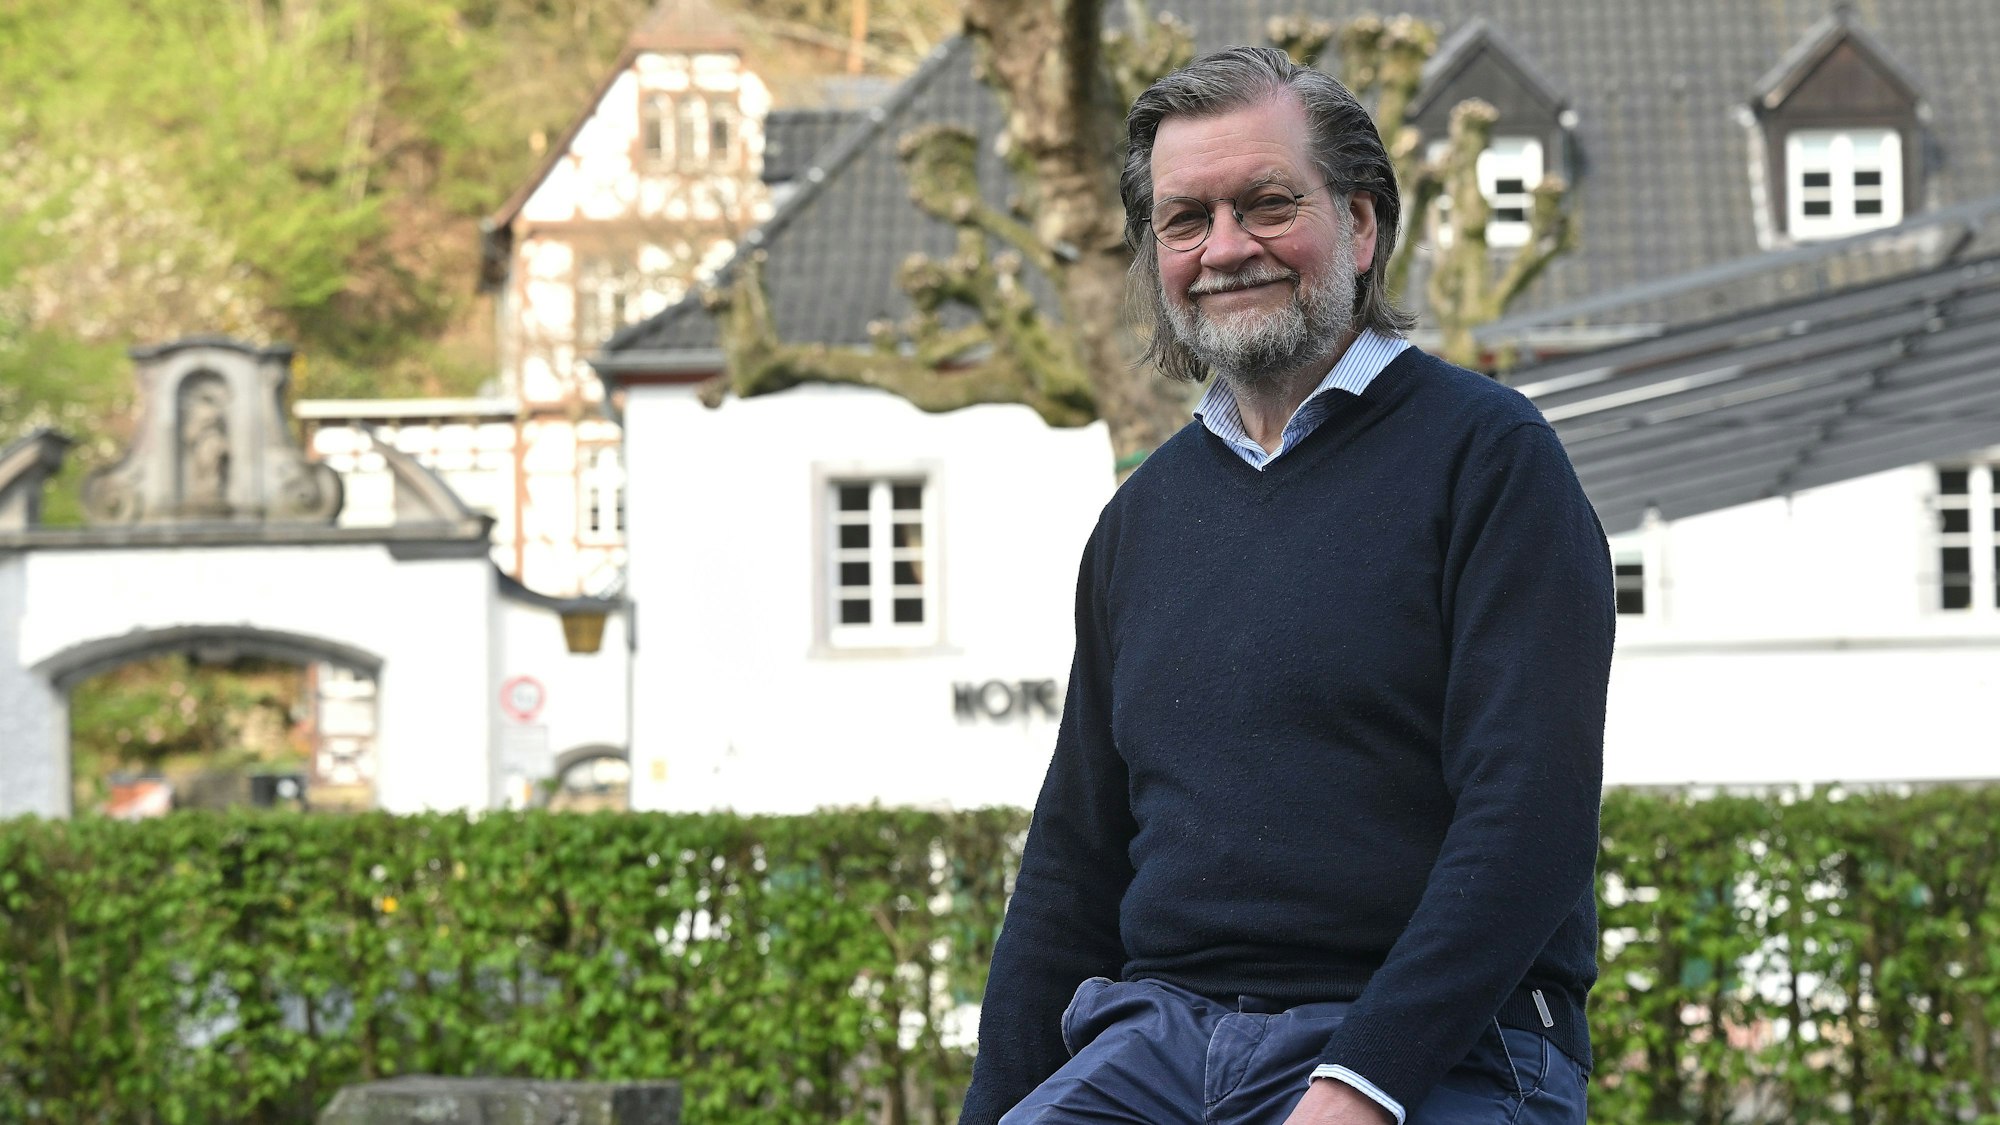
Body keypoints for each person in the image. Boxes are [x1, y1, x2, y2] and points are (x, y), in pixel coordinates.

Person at [957, 46, 1614, 1125]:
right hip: (1156, 1045)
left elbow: (1528, 818)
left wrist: (1361, 1082)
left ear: (1359, 226)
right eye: (1184, 220)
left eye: (1266, 205)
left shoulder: (1489, 460)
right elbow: (1071, 868)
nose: (1223, 248)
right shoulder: (1138, 523)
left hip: (1446, 1050)